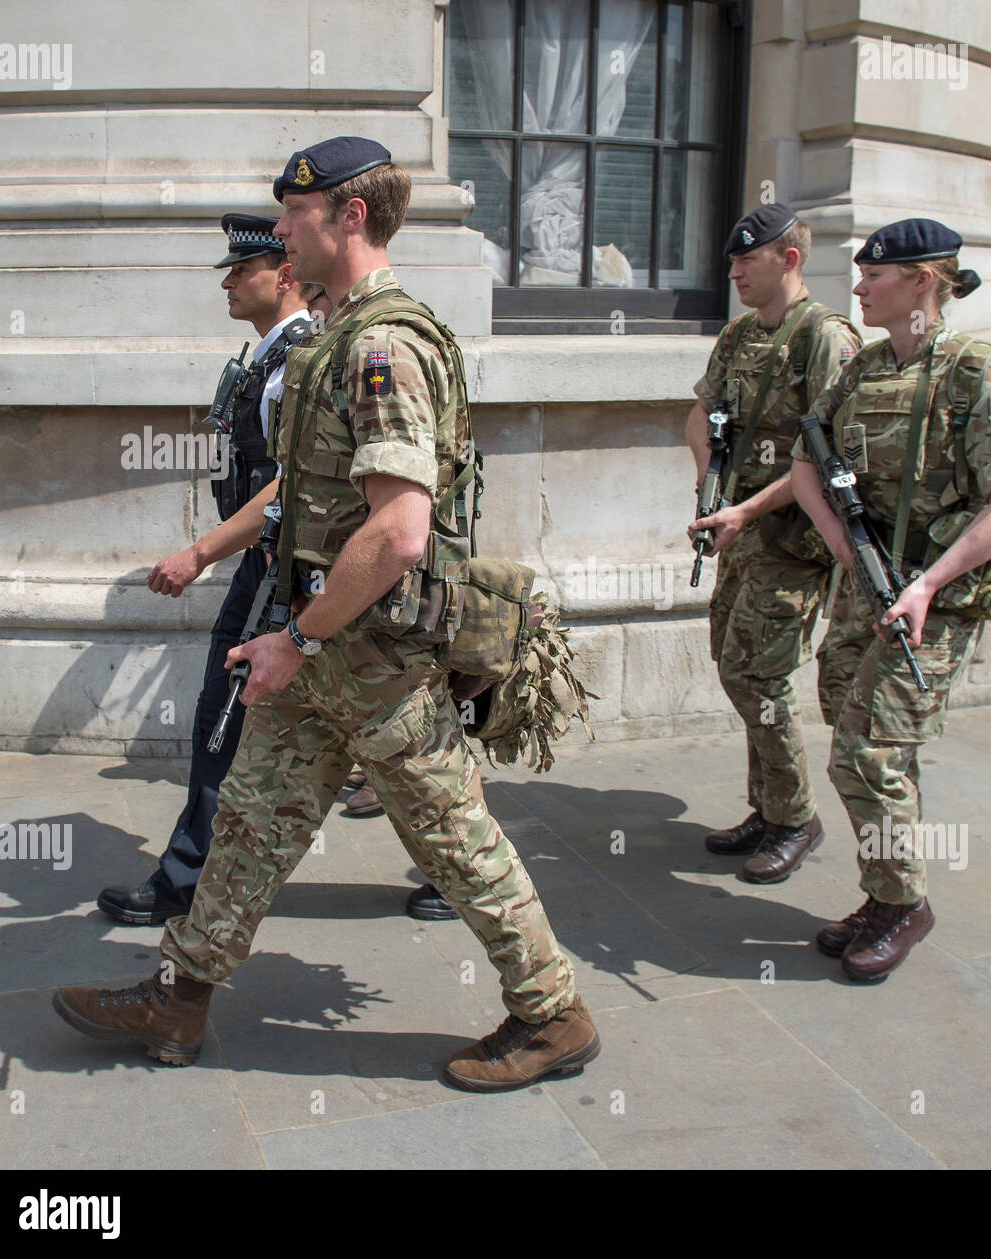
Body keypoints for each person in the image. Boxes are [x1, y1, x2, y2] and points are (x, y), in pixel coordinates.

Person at [55, 137, 599, 1092]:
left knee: (454, 840)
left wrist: (297, 639)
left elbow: (399, 530)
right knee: (251, 822)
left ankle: (553, 1012)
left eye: (293, 216)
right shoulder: (336, 339)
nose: (278, 233)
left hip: (376, 657)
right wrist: (282, 623)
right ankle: (179, 996)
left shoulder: (383, 346)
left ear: (349, 216)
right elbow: (302, 499)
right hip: (318, 650)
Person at [790, 218, 991, 982]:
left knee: (868, 752)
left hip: (936, 596)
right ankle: (882, 888)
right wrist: (844, 550)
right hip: (865, 584)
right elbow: (807, 461)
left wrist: (928, 584)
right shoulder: (865, 369)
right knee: (860, 738)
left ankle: (903, 902)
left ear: (923, 282)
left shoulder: (978, 372)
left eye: (873, 276)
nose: (858, 288)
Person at [96, 215, 318, 925]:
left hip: (281, 577)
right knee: (355, 735)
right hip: (269, 570)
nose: (226, 281)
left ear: (284, 274)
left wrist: (199, 552)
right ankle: (190, 874)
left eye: (240, 269)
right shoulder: (269, 359)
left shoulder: (299, 361)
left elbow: (288, 486)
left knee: (221, 724)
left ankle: (185, 880)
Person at [687, 204, 861, 883]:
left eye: (745, 262)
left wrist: (745, 508)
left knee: (757, 673)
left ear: (788, 260)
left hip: (791, 543)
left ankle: (794, 817)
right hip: (741, 535)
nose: (733, 273)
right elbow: (702, 408)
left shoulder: (826, 339)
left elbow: (825, 456)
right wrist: (710, 481)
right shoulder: (738, 335)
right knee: (733, 660)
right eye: (731, 262)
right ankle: (767, 806)